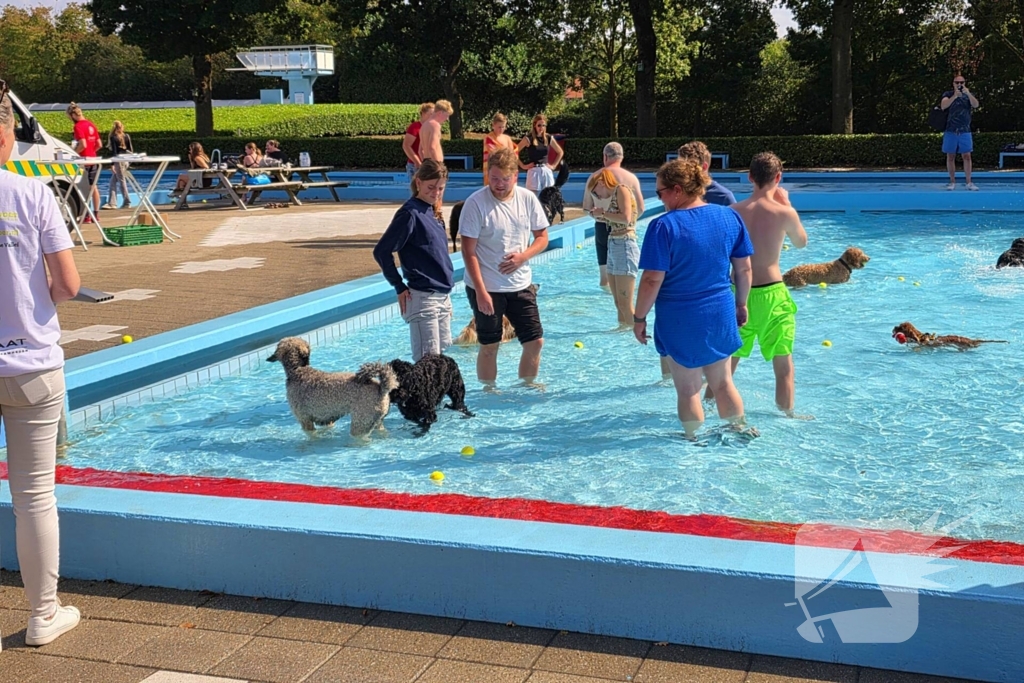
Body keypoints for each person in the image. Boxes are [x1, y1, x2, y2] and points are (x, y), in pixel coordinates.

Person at [0, 84, 83, 647]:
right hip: (29, 362)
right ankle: (41, 614)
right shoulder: (32, 194)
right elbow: (69, 285)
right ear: (6, 133)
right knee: (33, 496)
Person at [633, 159, 755, 440]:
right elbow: (744, 268)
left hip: (681, 316)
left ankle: (693, 441)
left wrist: (639, 318)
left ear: (677, 190)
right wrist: (741, 304)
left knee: (688, 390)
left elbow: (652, 279)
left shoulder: (663, 226)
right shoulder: (729, 217)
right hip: (720, 310)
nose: (659, 198)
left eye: (661, 192)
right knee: (723, 384)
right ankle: (738, 431)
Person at [710, 152, 808, 417]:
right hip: (773, 295)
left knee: (726, 363)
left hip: (736, 294)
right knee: (783, 362)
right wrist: (788, 204)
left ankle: (708, 409)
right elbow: (801, 243)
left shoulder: (732, 212)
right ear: (778, 178)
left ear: (750, 177)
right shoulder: (784, 212)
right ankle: (788, 416)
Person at [459, 147, 549, 386]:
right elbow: (468, 252)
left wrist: (523, 257)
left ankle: (526, 386)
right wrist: (481, 292)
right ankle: (489, 392)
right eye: (494, 178)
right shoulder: (475, 203)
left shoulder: (527, 199)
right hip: (486, 286)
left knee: (535, 341)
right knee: (490, 345)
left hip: (520, 284)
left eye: (504, 179)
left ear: (516, 177)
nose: (498, 184)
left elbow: (542, 237)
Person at [373, 159, 455, 361]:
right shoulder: (410, 214)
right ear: (418, 183)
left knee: (443, 367)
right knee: (427, 367)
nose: (435, 192)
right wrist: (399, 286)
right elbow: (382, 251)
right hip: (424, 298)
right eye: (431, 187)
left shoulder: (433, 211)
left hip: (443, 296)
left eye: (440, 188)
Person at [582, 142, 645, 290]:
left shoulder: (595, 177)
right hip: (625, 231)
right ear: (621, 157)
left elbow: (586, 208)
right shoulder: (631, 178)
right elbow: (641, 208)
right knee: (627, 278)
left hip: (602, 228)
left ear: (605, 157)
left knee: (605, 279)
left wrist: (602, 216)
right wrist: (627, 221)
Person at [586, 169, 639, 327]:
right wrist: (601, 215)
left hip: (624, 243)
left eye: (595, 192)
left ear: (601, 183)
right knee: (618, 303)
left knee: (625, 304)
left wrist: (603, 213)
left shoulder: (621, 189)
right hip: (614, 242)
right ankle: (622, 333)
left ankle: (636, 336)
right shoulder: (615, 194)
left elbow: (625, 218)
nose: (597, 196)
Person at [941, 74, 980, 191]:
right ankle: (952, 182)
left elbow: (976, 105)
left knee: (967, 156)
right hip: (950, 130)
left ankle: (969, 182)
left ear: (964, 83)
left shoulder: (968, 95)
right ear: (953, 84)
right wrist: (954, 96)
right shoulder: (947, 94)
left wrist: (967, 93)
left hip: (965, 130)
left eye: (961, 82)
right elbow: (943, 106)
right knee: (950, 156)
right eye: (957, 82)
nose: (959, 85)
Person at [65, 103, 101, 221]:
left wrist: (74, 153)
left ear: (73, 116)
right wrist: (92, 152)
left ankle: (86, 215)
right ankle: (96, 214)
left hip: (83, 161)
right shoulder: (91, 125)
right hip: (93, 160)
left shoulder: (78, 127)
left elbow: (83, 144)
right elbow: (99, 144)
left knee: (82, 188)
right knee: (93, 187)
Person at [516, 114, 563, 194]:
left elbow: (560, 152)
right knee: (532, 196)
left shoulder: (548, 138)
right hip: (534, 170)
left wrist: (554, 165)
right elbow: (513, 152)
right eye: (539, 125)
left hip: (545, 169)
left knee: (549, 196)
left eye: (543, 125)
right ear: (535, 125)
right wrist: (523, 165)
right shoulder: (529, 138)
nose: (541, 128)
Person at [677, 141, 735, 206]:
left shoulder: (723, 197)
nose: (682, 171)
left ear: (704, 167)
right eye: (679, 167)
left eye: (689, 167)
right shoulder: (676, 194)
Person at [103, 120, 133, 210]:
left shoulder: (113, 137)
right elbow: (130, 150)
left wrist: (112, 164)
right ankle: (112, 203)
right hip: (126, 160)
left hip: (119, 161)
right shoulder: (126, 136)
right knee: (113, 181)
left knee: (121, 181)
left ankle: (127, 201)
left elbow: (114, 152)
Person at [402, 103, 435, 180]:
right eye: (431, 114)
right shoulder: (415, 127)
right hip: (416, 164)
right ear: (423, 113)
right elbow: (406, 146)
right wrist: (417, 162)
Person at [482, 112, 515, 186]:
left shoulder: (507, 138)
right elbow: (494, 153)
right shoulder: (489, 138)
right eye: (499, 127)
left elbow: (512, 155)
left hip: (506, 170)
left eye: (503, 127)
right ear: (493, 125)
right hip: (493, 170)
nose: (501, 129)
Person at [419, 100, 452, 164]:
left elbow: (420, 150)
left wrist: (425, 165)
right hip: (434, 162)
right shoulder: (435, 125)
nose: (447, 119)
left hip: (427, 161)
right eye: (446, 115)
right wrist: (438, 165)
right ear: (440, 113)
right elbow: (432, 147)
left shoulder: (424, 125)